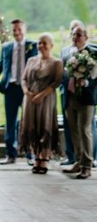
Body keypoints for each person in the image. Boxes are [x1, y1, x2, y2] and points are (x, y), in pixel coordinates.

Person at [0, 18, 38, 165]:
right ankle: (10, 154)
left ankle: (30, 154)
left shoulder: (33, 45)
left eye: (19, 29)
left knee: (29, 122)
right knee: (10, 122)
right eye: (14, 30)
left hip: (27, 89)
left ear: (24, 29)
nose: (16, 32)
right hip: (10, 88)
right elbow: (0, 65)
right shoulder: (6, 47)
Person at [18, 33, 63, 174]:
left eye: (44, 43)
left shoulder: (56, 62)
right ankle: (35, 157)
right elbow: (24, 79)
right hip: (30, 99)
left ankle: (44, 158)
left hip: (46, 99)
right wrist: (27, 93)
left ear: (51, 45)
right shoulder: (31, 60)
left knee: (45, 125)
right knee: (31, 126)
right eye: (39, 43)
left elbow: (56, 82)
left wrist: (41, 95)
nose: (41, 45)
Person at [61, 23, 97, 179]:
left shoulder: (93, 53)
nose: (75, 38)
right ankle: (78, 160)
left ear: (86, 37)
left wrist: (86, 82)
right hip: (70, 96)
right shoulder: (68, 53)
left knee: (84, 130)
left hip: (86, 97)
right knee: (74, 131)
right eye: (74, 35)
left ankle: (87, 165)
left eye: (79, 35)